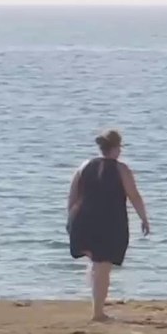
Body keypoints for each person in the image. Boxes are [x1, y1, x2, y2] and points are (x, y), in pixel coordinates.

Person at [66, 129, 151, 322]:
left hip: (83, 219)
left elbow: (72, 197)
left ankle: (97, 302)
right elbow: (134, 196)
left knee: (96, 264)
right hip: (108, 222)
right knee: (103, 266)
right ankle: (98, 312)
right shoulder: (121, 169)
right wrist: (144, 218)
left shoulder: (84, 166)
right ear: (116, 148)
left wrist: (70, 221)